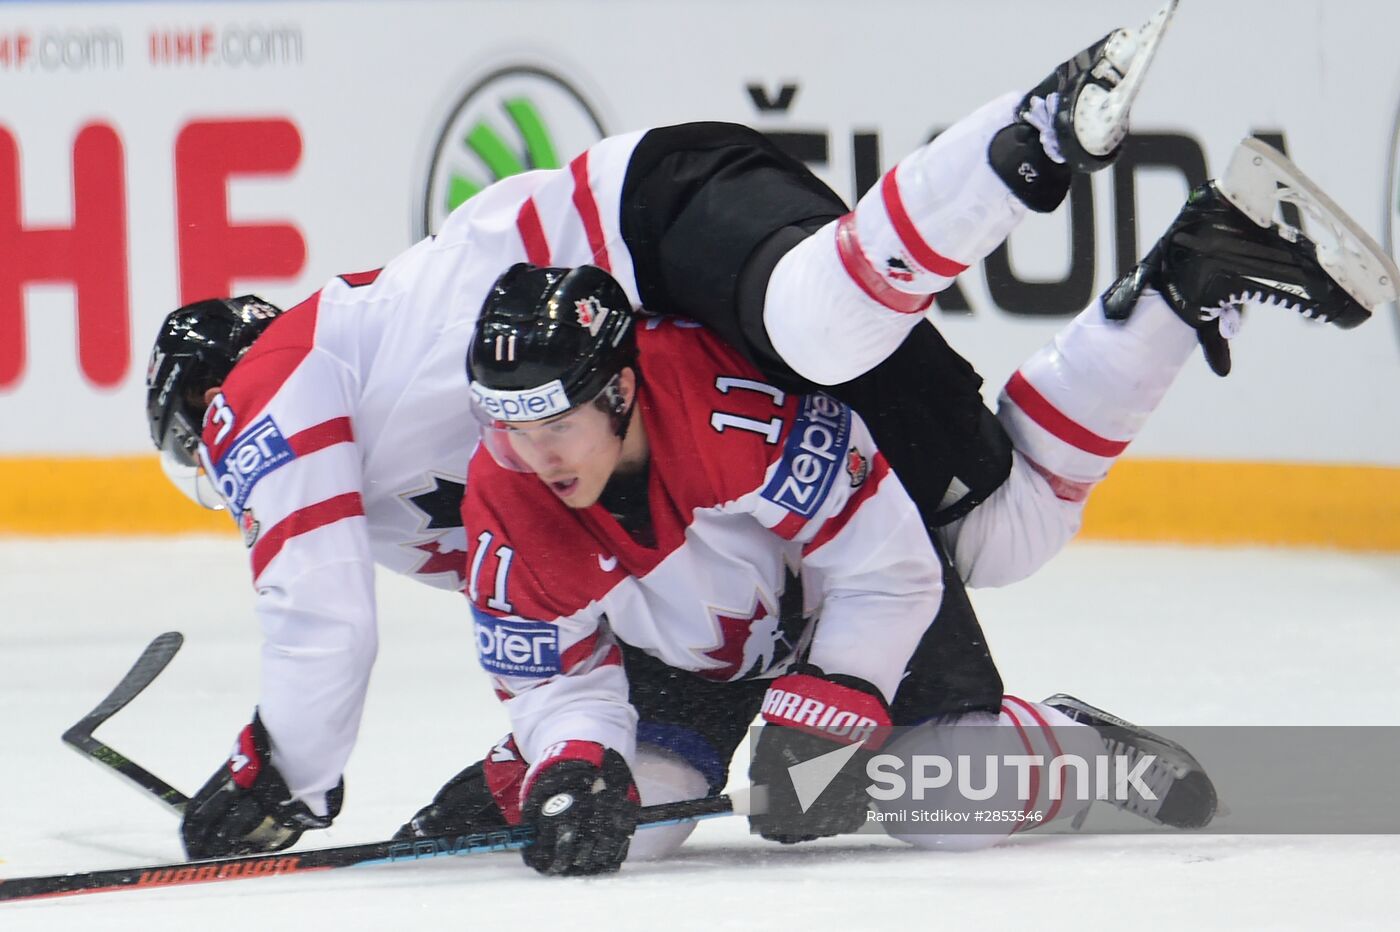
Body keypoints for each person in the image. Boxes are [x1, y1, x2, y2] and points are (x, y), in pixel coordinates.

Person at [144, 2, 1391, 861]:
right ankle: (1189, 274)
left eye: (215, 457)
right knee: (1001, 528)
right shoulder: (472, 474)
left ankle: (1037, 133)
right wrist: (559, 762)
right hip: (709, 577)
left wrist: (277, 780)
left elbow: (318, 629)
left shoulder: (266, 391)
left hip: (646, 231)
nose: (234, 478)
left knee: (822, 330)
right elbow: (551, 618)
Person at [446, 129, 1392, 874]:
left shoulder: (730, 414)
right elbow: (553, 669)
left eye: (555, 424)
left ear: (620, 391)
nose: (534, 456)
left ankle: (1070, 747)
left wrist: (842, 694)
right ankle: (1187, 281)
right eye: (511, 428)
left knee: (944, 798)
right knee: (639, 828)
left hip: (848, 530)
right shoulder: (513, 491)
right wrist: (571, 763)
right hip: (699, 649)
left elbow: (885, 561)